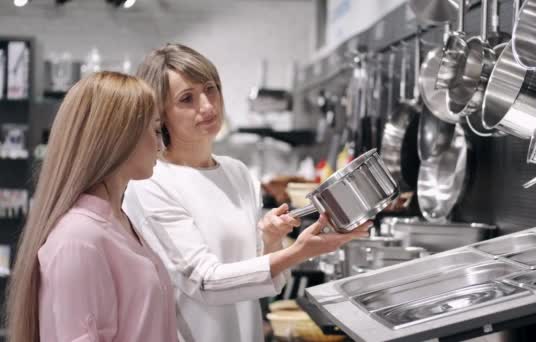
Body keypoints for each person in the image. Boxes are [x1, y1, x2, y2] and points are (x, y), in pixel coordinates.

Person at [123, 43, 371, 342]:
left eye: (211, 89)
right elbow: (205, 283)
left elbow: (264, 282)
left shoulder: (236, 172)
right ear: (160, 114)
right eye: (187, 99)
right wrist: (298, 252)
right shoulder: (152, 182)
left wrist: (271, 240)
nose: (207, 106)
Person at [6, 71, 178, 342]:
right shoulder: (79, 239)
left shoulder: (118, 222)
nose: (161, 145)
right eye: (156, 130)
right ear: (120, 136)